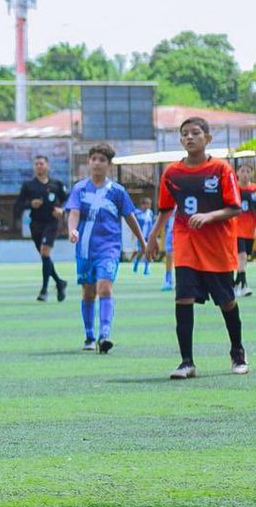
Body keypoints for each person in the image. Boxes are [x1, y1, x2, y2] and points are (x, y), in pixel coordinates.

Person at [146, 117, 247, 379]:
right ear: (181, 140)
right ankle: (187, 362)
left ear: (207, 138)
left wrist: (209, 216)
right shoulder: (172, 173)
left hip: (217, 248)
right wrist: (152, 238)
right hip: (186, 244)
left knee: (226, 302)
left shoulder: (221, 169)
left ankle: (237, 353)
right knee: (183, 298)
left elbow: (235, 208)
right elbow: (166, 209)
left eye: (195, 133)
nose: (189, 137)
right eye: (185, 134)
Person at [65, 144, 146, 353]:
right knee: (88, 292)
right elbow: (73, 212)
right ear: (88, 162)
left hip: (108, 248)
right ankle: (89, 336)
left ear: (109, 164)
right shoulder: (79, 189)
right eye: (94, 159)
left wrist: (143, 241)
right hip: (84, 249)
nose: (97, 163)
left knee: (104, 287)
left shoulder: (117, 192)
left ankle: (105, 335)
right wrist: (72, 230)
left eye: (102, 159)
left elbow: (130, 217)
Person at [13, 155, 69, 302]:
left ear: (47, 166)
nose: (39, 166)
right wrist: (30, 204)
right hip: (36, 224)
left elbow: (68, 200)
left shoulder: (57, 184)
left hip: (51, 223)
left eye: (41, 163)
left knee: (45, 252)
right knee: (45, 257)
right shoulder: (28, 186)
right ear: (34, 167)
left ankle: (44, 290)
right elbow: (18, 205)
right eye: (36, 164)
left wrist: (62, 210)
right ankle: (59, 282)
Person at [234, 164, 256, 294]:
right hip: (236, 229)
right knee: (242, 256)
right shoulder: (234, 188)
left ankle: (235, 284)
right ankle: (244, 286)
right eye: (243, 171)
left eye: (248, 171)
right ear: (237, 173)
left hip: (250, 231)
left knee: (244, 259)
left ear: (251, 173)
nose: (245, 174)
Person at [130, 197, 156, 275]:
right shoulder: (137, 212)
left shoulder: (150, 213)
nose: (148, 206)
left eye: (149, 204)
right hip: (140, 236)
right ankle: (136, 262)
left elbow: (152, 224)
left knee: (148, 251)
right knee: (141, 251)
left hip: (148, 236)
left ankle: (146, 268)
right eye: (147, 204)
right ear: (143, 205)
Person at [158, 211, 175, 291]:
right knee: (169, 253)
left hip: (186, 229)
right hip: (172, 230)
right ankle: (168, 278)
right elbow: (163, 213)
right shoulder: (170, 201)